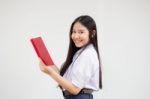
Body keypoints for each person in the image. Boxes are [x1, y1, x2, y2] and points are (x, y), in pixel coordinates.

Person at [39, 15, 102, 99]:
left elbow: (75, 89)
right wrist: (49, 64)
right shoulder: (80, 53)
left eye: (81, 32)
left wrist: (50, 72)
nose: (75, 36)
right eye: (74, 31)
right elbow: (66, 80)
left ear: (93, 33)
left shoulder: (88, 54)